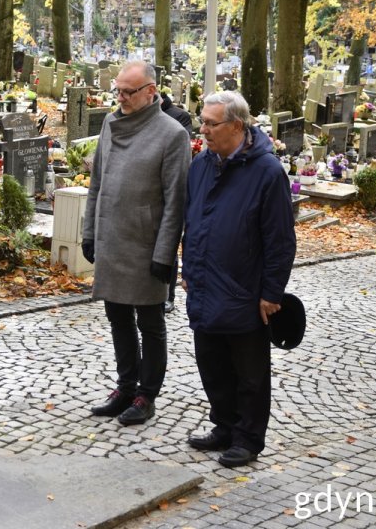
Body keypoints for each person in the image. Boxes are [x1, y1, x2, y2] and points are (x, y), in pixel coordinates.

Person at [181, 91, 296, 467]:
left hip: (245, 290)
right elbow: (193, 221)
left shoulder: (267, 172)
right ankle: (224, 426)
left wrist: (272, 292)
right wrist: (188, 268)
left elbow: (280, 239)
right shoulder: (201, 165)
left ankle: (248, 438)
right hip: (205, 283)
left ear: (236, 125)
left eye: (211, 124)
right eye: (202, 122)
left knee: (249, 373)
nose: (204, 130)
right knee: (211, 364)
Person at [82, 61, 190, 426]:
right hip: (112, 238)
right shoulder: (111, 125)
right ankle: (126, 385)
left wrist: (165, 255)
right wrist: (89, 232)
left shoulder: (172, 134)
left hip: (146, 244)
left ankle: (147, 394)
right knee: (117, 317)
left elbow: (176, 200)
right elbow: (96, 183)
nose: (121, 98)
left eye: (129, 92)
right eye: (118, 91)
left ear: (151, 91)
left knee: (150, 321)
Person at [159, 92, 192, 314]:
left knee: (169, 246)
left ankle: (168, 296)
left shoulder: (179, 117)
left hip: (170, 187)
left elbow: (181, 146)